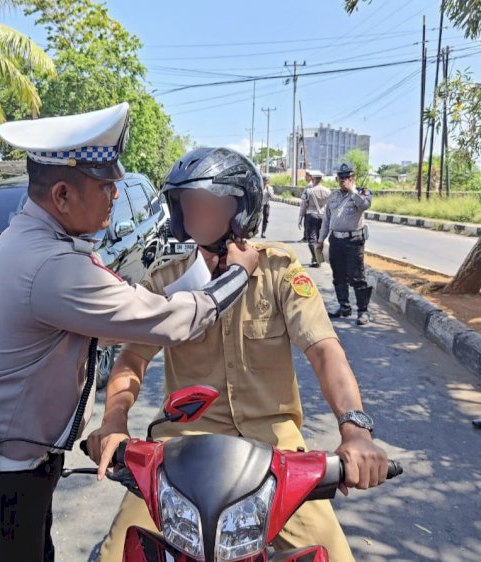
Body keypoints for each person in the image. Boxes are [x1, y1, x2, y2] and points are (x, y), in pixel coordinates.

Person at [0, 103, 260, 562]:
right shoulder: (51, 266)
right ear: (63, 195)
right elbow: (173, 321)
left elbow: (111, 315)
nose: (115, 195)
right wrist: (238, 275)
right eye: (106, 186)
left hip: (5, 465)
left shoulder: (37, 238)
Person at [86, 148, 388, 562]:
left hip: (275, 452)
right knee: (116, 553)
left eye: (209, 206)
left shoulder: (278, 270)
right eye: (188, 206)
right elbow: (132, 360)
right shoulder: (167, 280)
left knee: (334, 554)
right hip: (181, 450)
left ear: (241, 210)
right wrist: (114, 422)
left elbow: (324, 351)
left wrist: (355, 430)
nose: (196, 216)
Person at [317, 163, 373, 326]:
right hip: (336, 240)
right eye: (341, 178)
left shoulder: (361, 193)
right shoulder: (333, 196)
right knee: (339, 275)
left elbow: (364, 205)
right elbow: (327, 220)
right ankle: (344, 307)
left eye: (347, 177)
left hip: (353, 241)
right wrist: (321, 240)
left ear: (352, 177)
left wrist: (352, 190)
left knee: (357, 276)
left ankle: (363, 311)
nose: (343, 181)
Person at [298, 170, 330, 267]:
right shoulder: (328, 191)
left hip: (311, 215)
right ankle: (316, 258)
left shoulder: (308, 191)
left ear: (313, 178)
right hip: (323, 216)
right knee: (320, 239)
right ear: (322, 179)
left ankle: (317, 259)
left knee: (311, 239)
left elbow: (303, 205)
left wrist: (300, 218)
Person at [259, 173, 275, 238]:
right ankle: (255, 230)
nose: (265, 181)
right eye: (264, 180)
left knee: (265, 219)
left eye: (266, 180)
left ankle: (263, 232)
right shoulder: (259, 187)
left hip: (266, 205)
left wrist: (268, 190)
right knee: (258, 219)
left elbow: (272, 197)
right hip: (259, 205)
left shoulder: (270, 188)